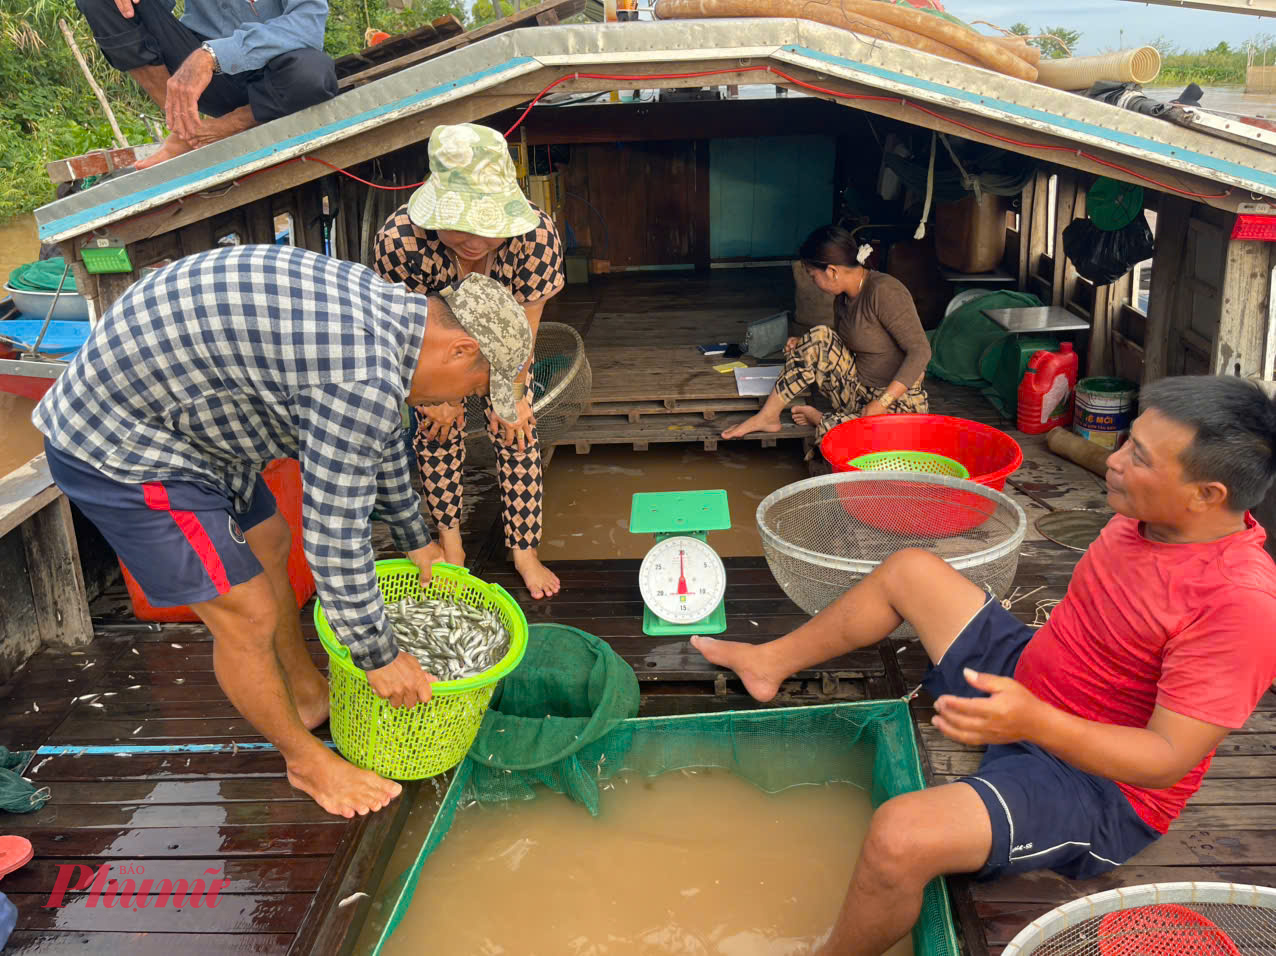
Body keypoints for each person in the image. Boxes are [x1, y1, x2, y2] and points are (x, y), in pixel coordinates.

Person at [695, 374, 1276, 955]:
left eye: (1140, 457)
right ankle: (768, 663)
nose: (1114, 460)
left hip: (1096, 786)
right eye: (1126, 441)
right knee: (910, 571)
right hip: (1027, 680)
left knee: (900, 836)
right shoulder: (1147, 514)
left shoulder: (1240, 605)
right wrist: (1028, 709)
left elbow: (1167, 760)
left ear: (1207, 495)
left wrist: (1034, 722)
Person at [32, 244, 531, 819]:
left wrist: (413, 535)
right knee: (247, 612)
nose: (461, 399)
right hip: (120, 443)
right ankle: (304, 762)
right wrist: (378, 655)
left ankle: (306, 692)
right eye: (475, 384)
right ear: (461, 347)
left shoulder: (392, 315)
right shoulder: (359, 375)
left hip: (194, 423)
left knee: (269, 539)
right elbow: (336, 540)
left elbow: (381, 436)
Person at [373, 122, 566, 599]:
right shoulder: (400, 241)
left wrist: (514, 393)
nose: (476, 243)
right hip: (431, 353)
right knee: (436, 430)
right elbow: (405, 337)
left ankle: (524, 550)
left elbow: (526, 328)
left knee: (518, 429)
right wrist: (435, 401)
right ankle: (451, 541)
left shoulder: (537, 237)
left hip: (504, 348)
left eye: (489, 227)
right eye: (461, 224)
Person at [723, 225, 931, 444]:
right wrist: (806, 345)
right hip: (858, 392)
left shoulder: (884, 291)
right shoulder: (842, 299)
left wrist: (882, 402)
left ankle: (823, 420)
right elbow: (844, 342)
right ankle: (768, 416)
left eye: (813, 276)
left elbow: (921, 351)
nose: (814, 283)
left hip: (897, 401)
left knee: (870, 436)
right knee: (819, 337)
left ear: (832, 271)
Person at [74, 0, 338, 169]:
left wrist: (212, 55)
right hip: (205, 79)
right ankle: (182, 126)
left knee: (312, 74)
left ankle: (236, 122)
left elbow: (308, 24)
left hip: (280, 79)